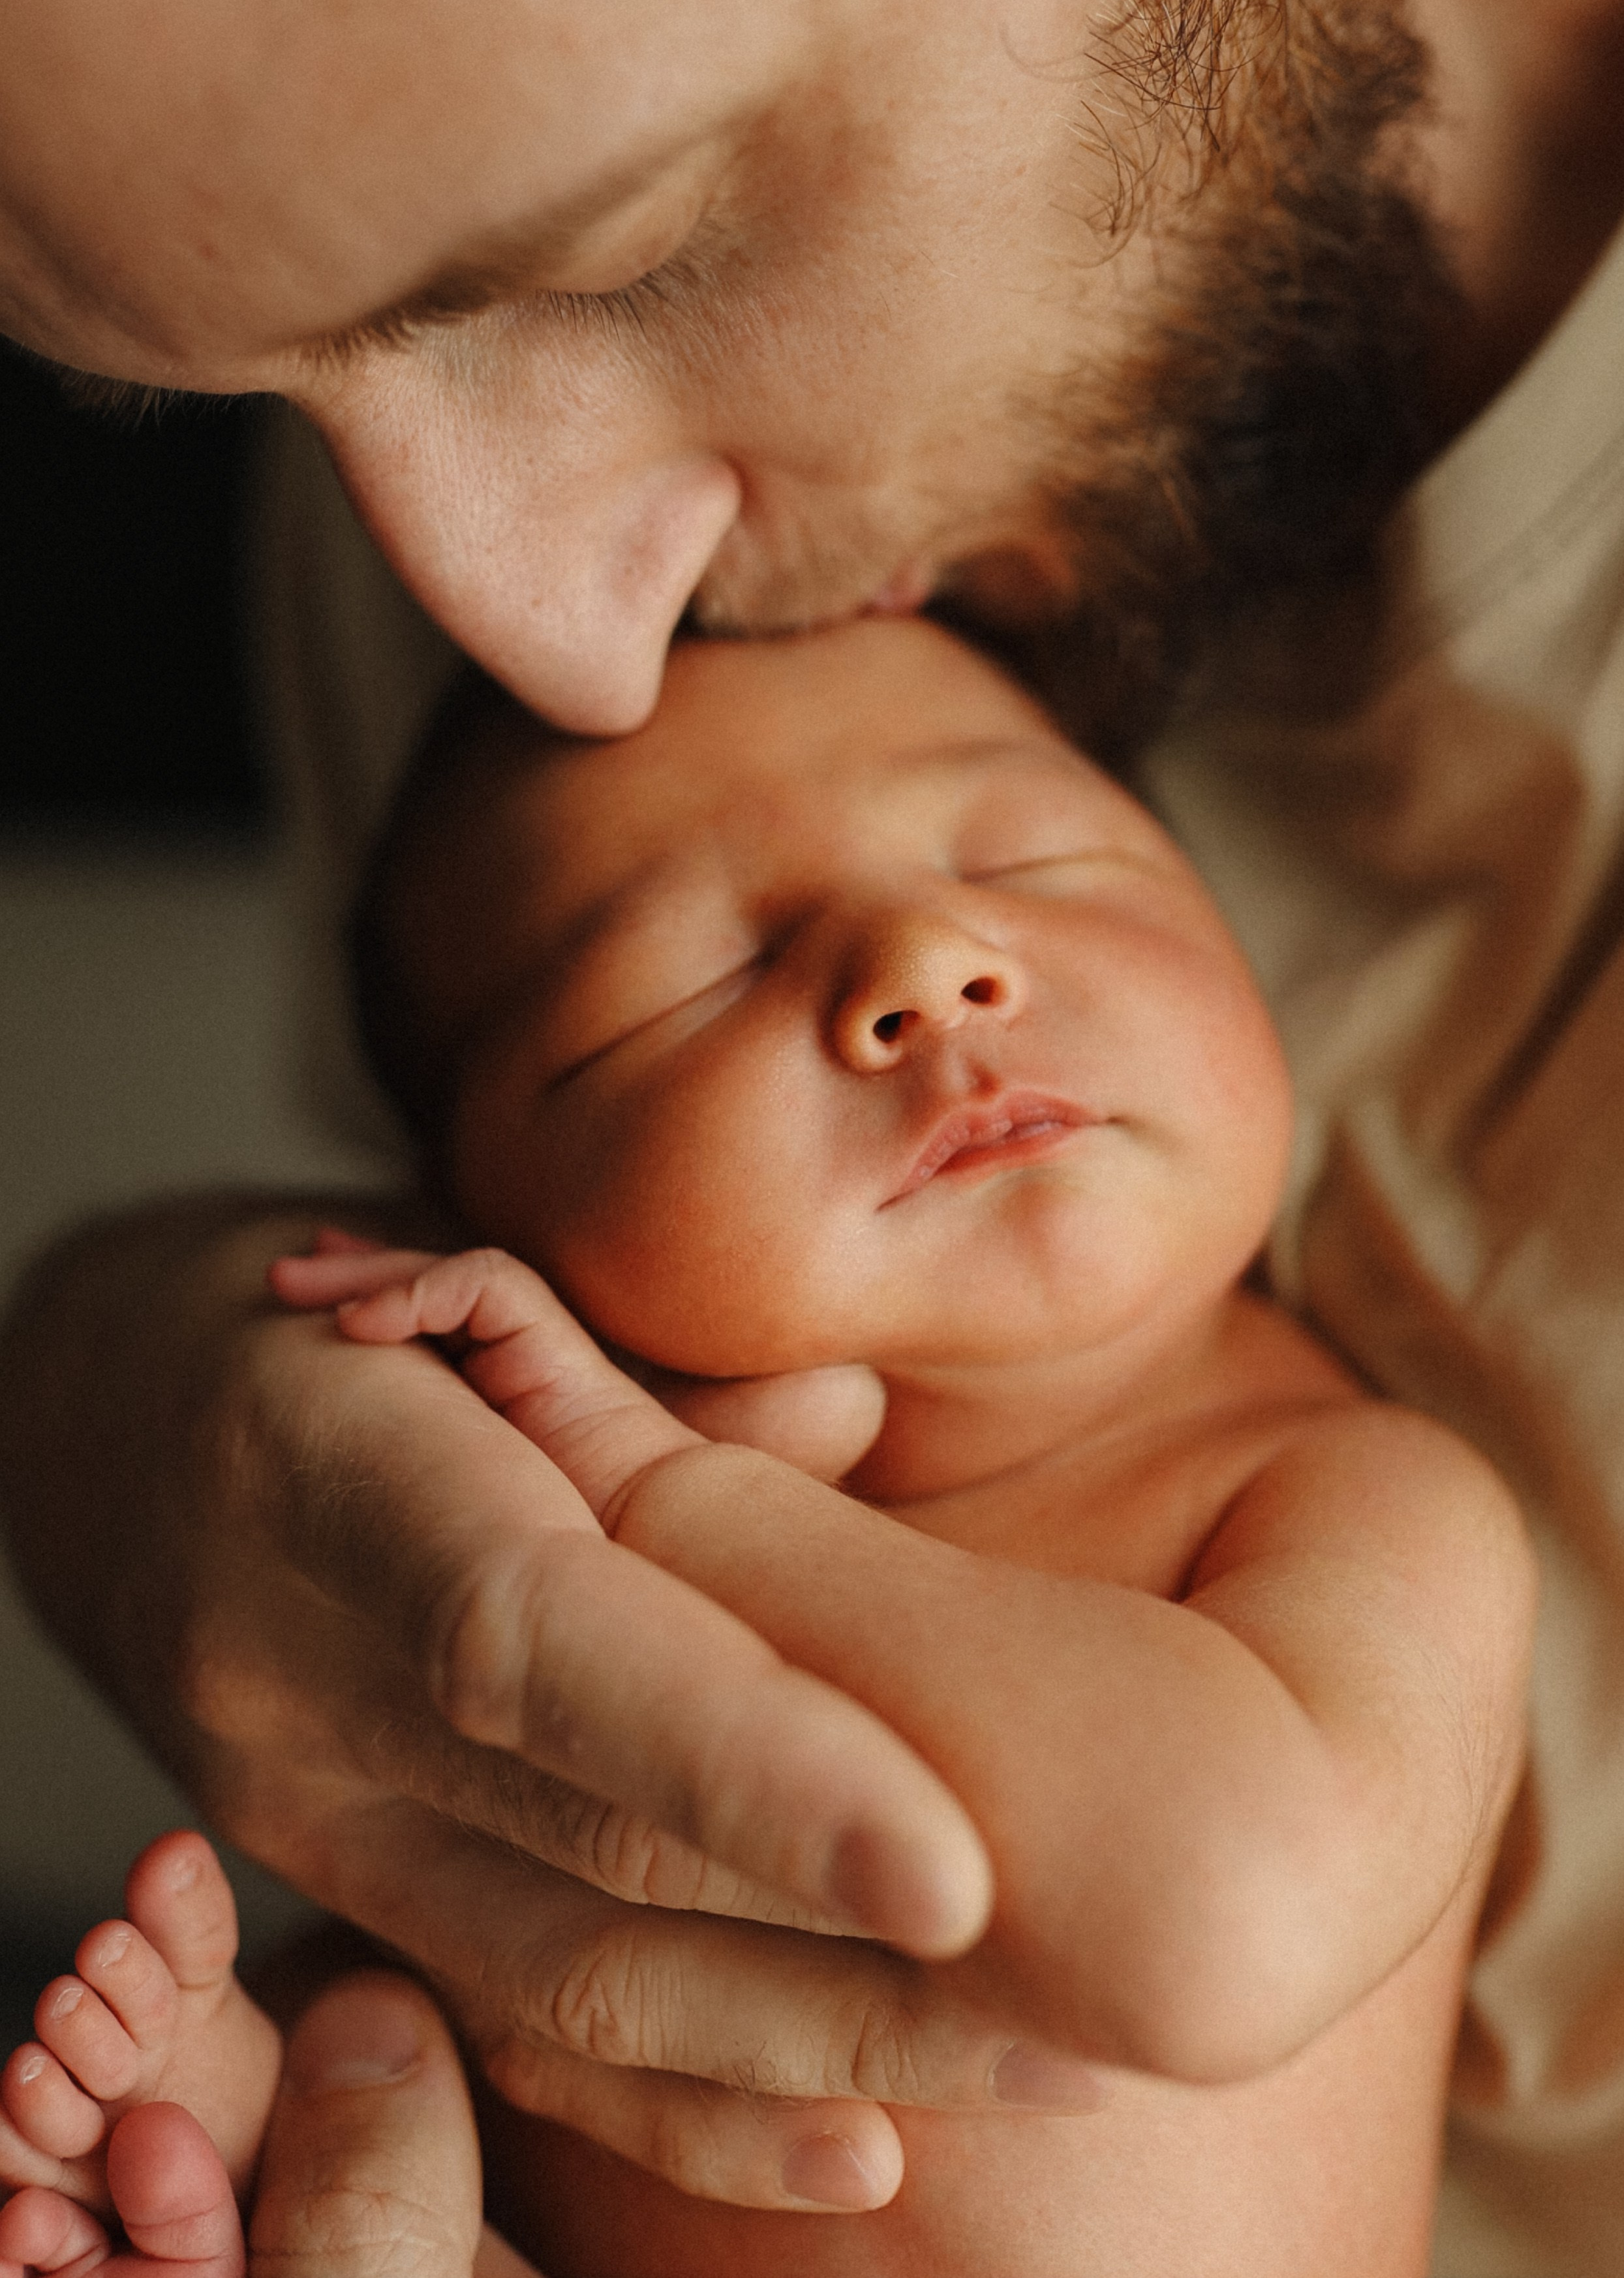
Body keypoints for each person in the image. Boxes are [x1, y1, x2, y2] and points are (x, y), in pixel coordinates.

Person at [1, 0, 1622, 2268]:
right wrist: (142, 1407)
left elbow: (1211, 1908)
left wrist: (647, 1499)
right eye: (246, 386)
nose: (547, 632)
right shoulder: (465, 428)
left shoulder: (1334, 1523)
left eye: (604, 244)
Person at [0, 619, 1535, 2275]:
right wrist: (288, 2069)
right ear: (483, 1212)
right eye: (686, 982)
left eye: (1044, 854)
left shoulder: (1351, 1491)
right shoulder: (481, 1531)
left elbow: (1224, 1929)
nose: (928, 956)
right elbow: (489, 1966)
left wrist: (676, 1499)